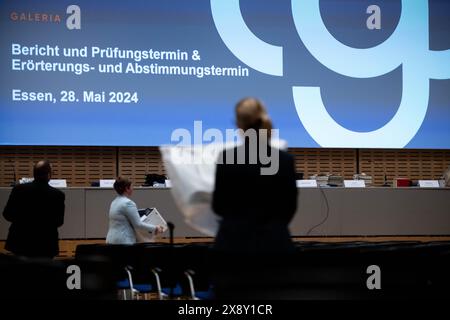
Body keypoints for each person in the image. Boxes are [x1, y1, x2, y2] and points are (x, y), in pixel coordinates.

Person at [212, 97, 298, 254]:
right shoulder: (285, 160)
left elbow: (218, 206)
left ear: (239, 124)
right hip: (275, 246)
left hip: (233, 246)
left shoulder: (226, 158)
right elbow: (289, 208)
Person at [3, 160, 65, 258]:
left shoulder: (18, 190)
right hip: (46, 245)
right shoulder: (58, 195)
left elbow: (7, 214)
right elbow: (59, 222)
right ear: (49, 175)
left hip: (20, 242)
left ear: (34, 174)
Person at [106, 177, 164, 244]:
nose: (132, 188)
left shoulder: (114, 202)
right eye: (131, 186)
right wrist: (155, 228)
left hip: (111, 239)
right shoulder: (128, 203)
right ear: (127, 189)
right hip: (123, 241)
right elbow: (138, 224)